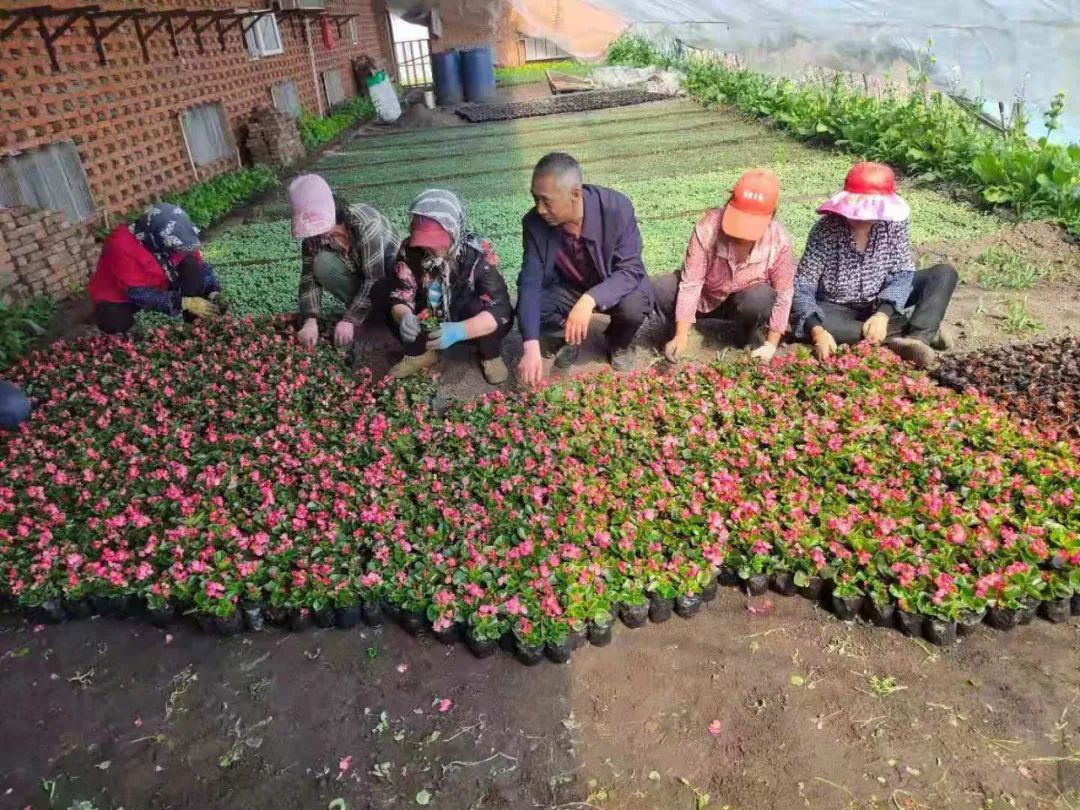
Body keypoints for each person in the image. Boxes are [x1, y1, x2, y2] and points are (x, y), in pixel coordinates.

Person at [791, 162, 958, 369]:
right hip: (835, 306)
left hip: (881, 296)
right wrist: (817, 332)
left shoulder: (894, 224)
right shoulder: (825, 230)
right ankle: (914, 330)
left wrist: (882, 314)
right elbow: (803, 287)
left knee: (943, 274)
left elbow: (902, 273)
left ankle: (919, 338)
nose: (862, 217)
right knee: (822, 326)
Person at [517, 153, 654, 385]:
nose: (539, 209)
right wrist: (530, 344)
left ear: (575, 194)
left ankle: (618, 343)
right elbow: (530, 282)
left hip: (610, 281)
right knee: (534, 304)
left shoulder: (615, 209)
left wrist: (590, 299)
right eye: (535, 198)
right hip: (567, 287)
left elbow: (630, 270)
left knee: (635, 303)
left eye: (546, 201)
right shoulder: (534, 223)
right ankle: (566, 338)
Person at [653, 169, 794, 364]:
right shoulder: (708, 227)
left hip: (742, 303)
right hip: (705, 297)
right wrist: (681, 332)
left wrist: (771, 345)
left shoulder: (778, 241)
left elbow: (784, 294)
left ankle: (743, 334)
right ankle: (685, 333)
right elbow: (692, 283)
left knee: (760, 298)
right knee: (662, 287)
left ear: (771, 217)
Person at [387, 189, 514, 384]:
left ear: (454, 231)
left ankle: (490, 354)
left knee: (483, 309)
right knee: (400, 314)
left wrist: (460, 330)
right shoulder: (410, 250)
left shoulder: (478, 253)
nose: (432, 248)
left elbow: (500, 309)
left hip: (466, 314)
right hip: (432, 312)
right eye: (425, 241)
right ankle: (422, 353)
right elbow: (401, 293)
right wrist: (404, 316)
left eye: (438, 241)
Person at [289, 174, 400, 350]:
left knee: (391, 278)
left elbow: (374, 278)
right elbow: (309, 280)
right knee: (322, 263)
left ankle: (386, 316)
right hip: (365, 277)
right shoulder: (314, 239)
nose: (312, 233)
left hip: (393, 278)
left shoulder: (365, 222)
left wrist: (349, 320)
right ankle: (367, 315)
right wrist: (310, 320)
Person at [89, 203, 223, 334]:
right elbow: (138, 293)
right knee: (114, 320)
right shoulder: (120, 246)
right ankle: (126, 334)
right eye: (174, 248)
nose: (177, 251)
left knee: (190, 263)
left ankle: (194, 320)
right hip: (123, 294)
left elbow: (200, 266)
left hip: (161, 278)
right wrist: (183, 302)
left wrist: (212, 290)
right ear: (156, 239)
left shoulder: (179, 236)